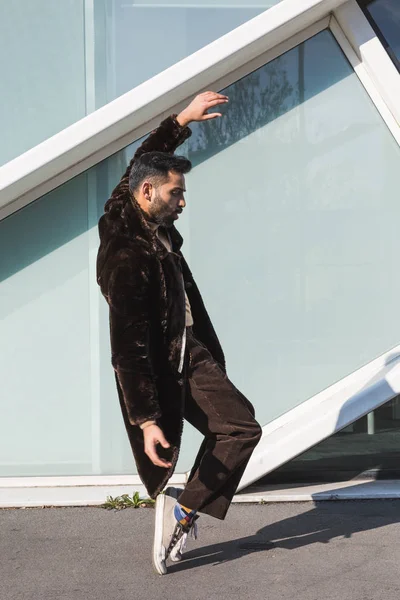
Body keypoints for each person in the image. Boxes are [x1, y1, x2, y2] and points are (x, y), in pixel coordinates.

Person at [96, 91, 262, 575]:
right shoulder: (128, 252)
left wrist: (181, 120)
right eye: (176, 193)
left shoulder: (129, 208)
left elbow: (135, 167)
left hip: (193, 350)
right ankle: (182, 512)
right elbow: (127, 345)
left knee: (234, 426)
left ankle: (183, 508)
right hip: (176, 360)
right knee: (241, 428)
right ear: (149, 194)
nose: (183, 202)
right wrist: (146, 419)